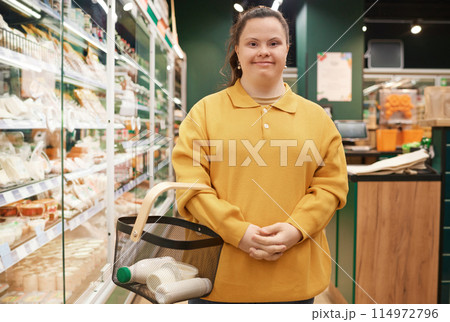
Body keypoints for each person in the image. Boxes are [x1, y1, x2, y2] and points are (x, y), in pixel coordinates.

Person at [171, 6, 348, 304]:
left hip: (294, 282)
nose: (263, 51)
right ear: (237, 51)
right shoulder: (203, 113)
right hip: (216, 282)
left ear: (286, 50)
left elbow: (331, 186)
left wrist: (296, 229)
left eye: (273, 43)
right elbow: (191, 186)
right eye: (253, 44)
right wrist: (237, 232)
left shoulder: (317, 118)